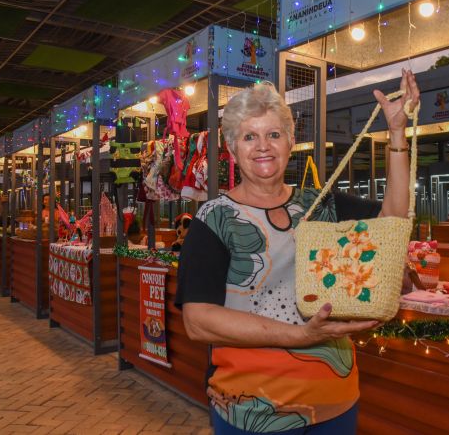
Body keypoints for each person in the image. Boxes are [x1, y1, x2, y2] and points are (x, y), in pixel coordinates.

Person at [176, 70, 420, 434]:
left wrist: (398, 133)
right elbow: (198, 321)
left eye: (274, 134)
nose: (263, 146)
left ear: (290, 143)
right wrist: (300, 336)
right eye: (249, 136)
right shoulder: (214, 220)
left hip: (334, 401)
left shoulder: (319, 203)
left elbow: (390, 223)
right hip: (253, 412)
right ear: (232, 150)